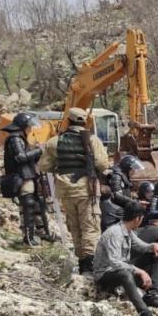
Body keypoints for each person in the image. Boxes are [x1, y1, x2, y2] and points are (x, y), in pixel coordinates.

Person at [38, 107, 110, 273]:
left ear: (67, 121)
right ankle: (89, 265)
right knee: (90, 227)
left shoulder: (54, 142)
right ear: (85, 122)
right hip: (87, 189)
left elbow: (43, 166)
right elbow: (103, 164)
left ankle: (81, 261)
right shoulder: (93, 140)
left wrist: (60, 165)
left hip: (65, 190)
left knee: (75, 226)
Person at [93, 203, 158, 316]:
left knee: (156, 254)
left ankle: (152, 294)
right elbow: (115, 262)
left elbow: (140, 246)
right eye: (142, 218)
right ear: (137, 218)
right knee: (126, 274)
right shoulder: (114, 233)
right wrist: (139, 271)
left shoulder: (128, 231)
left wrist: (153, 246)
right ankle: (145, 313)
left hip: (121, 268)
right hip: (105, 273)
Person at [2, 112, 50, 246]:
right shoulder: (15, 138)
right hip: (21, 176)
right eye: (29, 126)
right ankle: (28, 237)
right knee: (28, 205)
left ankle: (42, 234)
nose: (31, 128)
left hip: (28, 175)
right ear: (23, 126)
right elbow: (21, 157)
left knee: (37, 204)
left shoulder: (21, 137)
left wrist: (36, 152)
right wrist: (39, 150)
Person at [100, 154, 145, 231]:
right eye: (133, 169)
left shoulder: (122, 176)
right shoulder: (117, 176)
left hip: (118, 210)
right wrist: (135, 202)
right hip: (113, 213)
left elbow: (124, 192)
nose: (134, 171)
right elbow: (117, 195)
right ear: (127, 168)